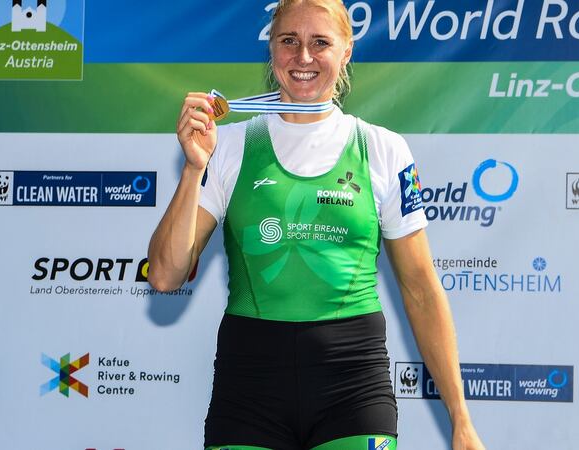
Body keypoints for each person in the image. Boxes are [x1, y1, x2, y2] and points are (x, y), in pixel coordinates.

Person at [147, 1, 485, 448]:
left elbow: (421, 288)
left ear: (346, 51)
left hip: (353, 384)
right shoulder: (227, 145)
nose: (303, 57)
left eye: (320, 42)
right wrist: (193, 169)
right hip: (250, 386)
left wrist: (461, 419)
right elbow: (166, 277)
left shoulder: (382, 149)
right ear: (271, 49)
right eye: (289, 41)